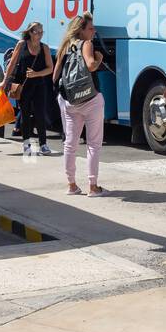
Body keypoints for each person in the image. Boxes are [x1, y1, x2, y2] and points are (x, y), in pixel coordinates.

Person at [52, 13, 107, 196]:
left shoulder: (65, 46)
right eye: (91, 28)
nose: (94, 31)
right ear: (81, 30)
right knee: (93, 144)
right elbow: (91, 66)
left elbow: (55, 75)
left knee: (70, 143)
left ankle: (72, 185)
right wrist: (99, 58)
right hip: (90, 100)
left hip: (70, 101)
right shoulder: (87, 44)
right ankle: (93, 186)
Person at [3, 22, 54, 156]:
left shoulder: (45, 48)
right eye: (37, 32)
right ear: (30, 32)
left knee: (40, 114)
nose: (40, 34)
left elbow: (50, 68)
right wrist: (5, 80)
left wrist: (36, 74)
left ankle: (43, 144)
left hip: (39, 85)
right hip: (23, 86)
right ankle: (26, 145)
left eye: (42, 32)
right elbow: (12, 63)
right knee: (24, 115)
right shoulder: (22, 44)